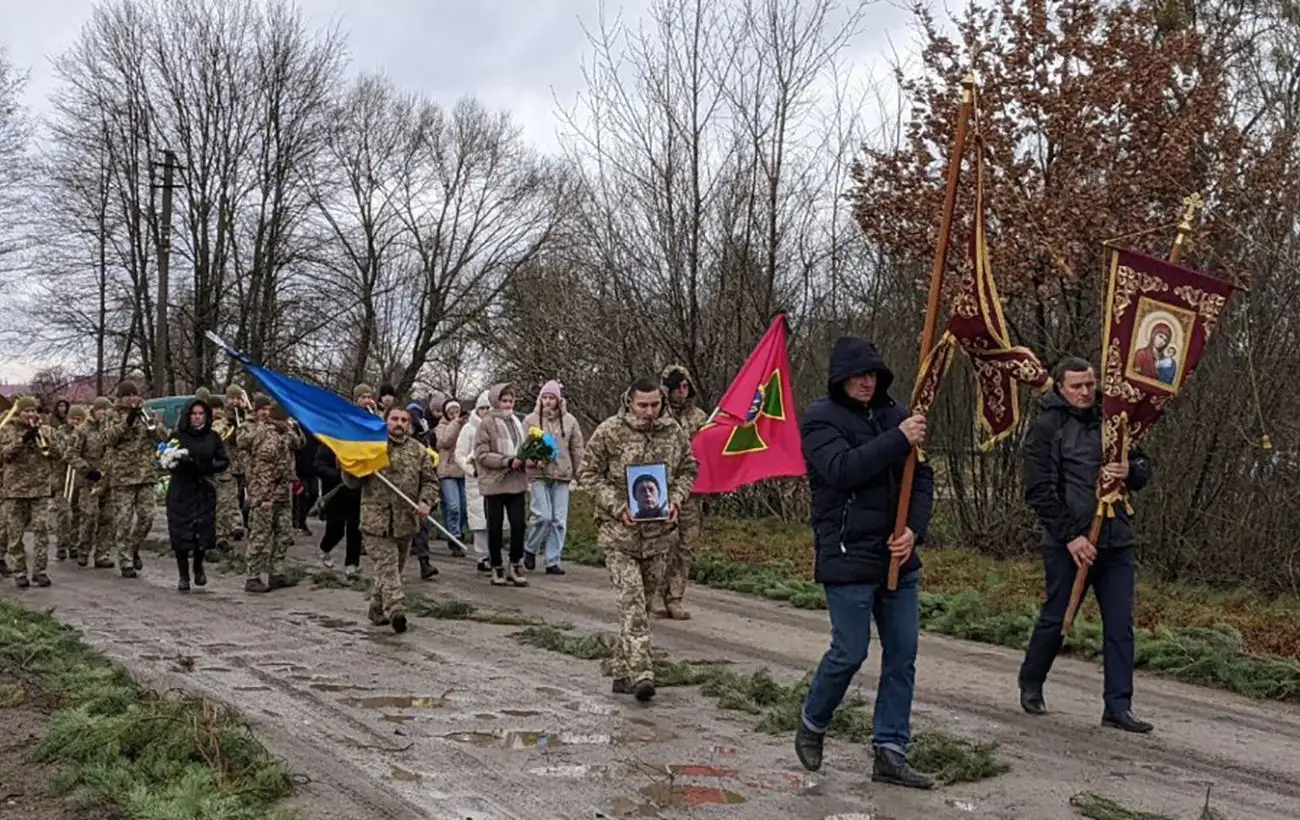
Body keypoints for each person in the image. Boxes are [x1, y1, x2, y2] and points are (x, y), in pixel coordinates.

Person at [794, 336, 935, 790]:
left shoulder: (898, 416)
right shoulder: (818, 421)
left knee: (903, 654)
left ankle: (891, 749)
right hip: (847, 553)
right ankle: (813, 721)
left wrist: (914, 530)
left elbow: (923, 478)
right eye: (858, 376)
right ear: (840, 379)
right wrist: (898, 439)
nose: (866, 382)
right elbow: (843, 470)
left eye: (873, 375)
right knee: (850, 651)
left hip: (897, 557)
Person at [1018, 357, 1154, 734]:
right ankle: (1031, 682)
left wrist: (1132, 470)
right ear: (1061, 386)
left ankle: (1118, 706)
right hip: (1068, 542)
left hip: (1116, 539)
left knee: (1120, 624)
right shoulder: (1047, 428)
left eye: (1090, 385)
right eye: (1077, 385)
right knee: (1057, 616)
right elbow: (1039, 491)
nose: (1084, 392)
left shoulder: (1115, 422)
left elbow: (1143, 469)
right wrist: (1071, 538)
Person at [578, 376, 698, 702]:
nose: (648, 412)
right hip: (619, 535)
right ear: (629, 401)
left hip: (659, 537)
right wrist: (617, 506)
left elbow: (689, 469)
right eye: (642, 405)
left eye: (654, 405)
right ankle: (643, 671)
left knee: (642, 604)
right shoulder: (609, 432)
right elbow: (588, 473)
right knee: (632, 604)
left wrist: (675, 499)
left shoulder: (673, 433)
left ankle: (620, 670)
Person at [344, 403, 438, 633]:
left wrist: (426, 502)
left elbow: (430, 482)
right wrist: (347, 468)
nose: (399, 424)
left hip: (405, 521)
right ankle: (397, 610)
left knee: (394, 569)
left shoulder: (418, 450)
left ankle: (376, 606)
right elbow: (353, 483)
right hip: (376, 521)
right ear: (386, 421)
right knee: (388, 567)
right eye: (394, 419)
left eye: (404, 420)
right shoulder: (372, 447)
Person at [102, 381, 168, 578]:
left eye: (134, 394)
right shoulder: (111, 415)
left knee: (148, 517)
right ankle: (125, 560)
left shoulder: (147, 412)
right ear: (120, 397)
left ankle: (132, 547)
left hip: (146, 473)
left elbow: (163, 437)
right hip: (122, 475)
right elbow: (108, 439)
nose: (132, 398)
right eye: (127, 395)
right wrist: (128, 420)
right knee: (123, 520)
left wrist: (153, 428)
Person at [657, 364, 708, 619]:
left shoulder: (698, 417)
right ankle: (656, 593)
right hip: (660, 487)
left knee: (686, 544)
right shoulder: (656, 414)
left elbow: (712, 445)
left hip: (691, 489)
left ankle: (675, 596)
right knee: (663, 542)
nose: (682, 391)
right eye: (678, 386)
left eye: (686, 386)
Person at [165, 398, 229, 591]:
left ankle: (198, 567)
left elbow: (223, 460)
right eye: (194, 414)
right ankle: (183, 575)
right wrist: (180, 464)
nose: (197, 417)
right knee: (181, 532)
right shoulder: (178, 436)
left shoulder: (213, 436)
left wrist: (211, 467)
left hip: (204, 488)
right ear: (188, 415)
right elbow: (167, 460)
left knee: (202, 531)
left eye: (201, 414)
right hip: (181, 489)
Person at [241, 396, 304, 593]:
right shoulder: (267, 437)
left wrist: (293, 428)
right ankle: (252, 576)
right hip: (265, 494)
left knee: (284, 534)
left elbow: (300, 443)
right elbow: (263, 470)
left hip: (283, 493)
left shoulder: (283, 433)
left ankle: (277, 573)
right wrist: (264, 498)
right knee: (260, 536)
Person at [0, 396, 63, 587]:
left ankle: (40, 571)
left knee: (41, 531)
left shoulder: (46, 430)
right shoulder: (6, 430)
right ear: (19, 412)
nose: (31, 414)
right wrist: (22, 439)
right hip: (15, 490)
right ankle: (19, 571)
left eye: (33, 410)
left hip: (40, 488)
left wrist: (41, 438)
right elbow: (4, 455)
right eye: (27, 411)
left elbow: (58, 454)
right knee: (15, 533)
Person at [474, 383, 531, 586]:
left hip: (516, 481)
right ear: (495, 401)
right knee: (495, 527)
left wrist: (530, 459)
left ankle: (515, 564)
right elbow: (481, 455)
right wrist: (506, 461)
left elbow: (523, 447)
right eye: (504, 400)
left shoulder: (517, 422)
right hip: (495, 482)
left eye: (511, 400)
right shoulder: (486, 423)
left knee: (519, 525)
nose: (508, 404)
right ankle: (496, 566)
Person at [68, 398, 116, 569]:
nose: (104, 414)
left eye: (107, 411)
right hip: (89, 480)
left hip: (108, 480)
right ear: (95, 410)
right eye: (102, 410)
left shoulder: (112, 430)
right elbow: (71, 454)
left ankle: (102, 553)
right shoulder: (83, 430)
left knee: (108, 517)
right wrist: (87, 470)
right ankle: (83, 549)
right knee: (89, 515)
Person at [456, 391, 494, 572]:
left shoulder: (496, 426)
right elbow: (460, 454)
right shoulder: (468, 429)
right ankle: (482, 555)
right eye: (482, 408)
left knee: (493, 517)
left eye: (488, 407)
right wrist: (471, 469)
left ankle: (494, 553)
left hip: (493, 477)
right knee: (479, 519)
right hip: (475, 479)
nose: (485, 411)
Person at [216, 385, 251, 545]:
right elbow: (221, 436)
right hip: (229, 463)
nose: (235, 401)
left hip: (244, 463)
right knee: (230, 498)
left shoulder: (247, 416)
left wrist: (246, 416)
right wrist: (230, 423)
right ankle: (233, 527)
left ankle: (245, 524)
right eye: (232, 398)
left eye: (238, 398)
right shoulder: (223, 417)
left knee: (247, 497)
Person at [435, 398, 468, 548]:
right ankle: (454, 536)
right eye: (451, 412)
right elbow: (445, 442)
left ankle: (458, 532)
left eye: (457, 411)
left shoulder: (465, 426)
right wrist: (455, 423)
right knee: (453, 506)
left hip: (462, 470)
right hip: (447, 471)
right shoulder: (441, 427)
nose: (455, 414)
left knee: (463, 508)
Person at [47, 399, 75, 562]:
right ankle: (62, 545)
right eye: (61, 406)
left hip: (77, 479)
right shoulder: (56, 430)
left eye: (66, 406)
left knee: (78, 514)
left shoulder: (81, 432)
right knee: (64, 514)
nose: (63, 409)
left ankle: (74, 545)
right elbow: (56, 453)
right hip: (60, 478)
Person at [292, 424, 320, 536]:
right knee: (302, 495)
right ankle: (299, 523)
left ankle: (301, 518)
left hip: (312, 467)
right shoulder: (296, 428)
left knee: (314, 494)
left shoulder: (313, 427)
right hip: (298, 468)